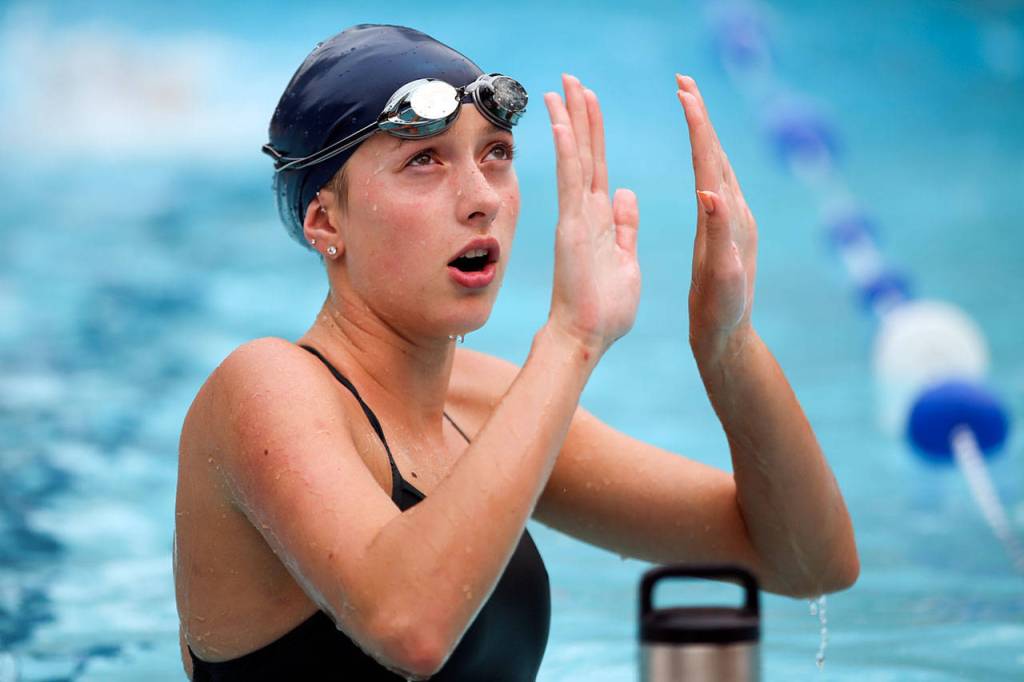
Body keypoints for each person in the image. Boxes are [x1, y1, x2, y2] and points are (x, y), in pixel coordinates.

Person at [173, 23, 859, 682]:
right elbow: (410, 628)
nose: (481, 200)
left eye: (495, 154)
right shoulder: (264, 388)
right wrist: (573, 337)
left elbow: (805, 561)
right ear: (326, 220)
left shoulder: (483, 404)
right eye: (424, 160)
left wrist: (729, 348)